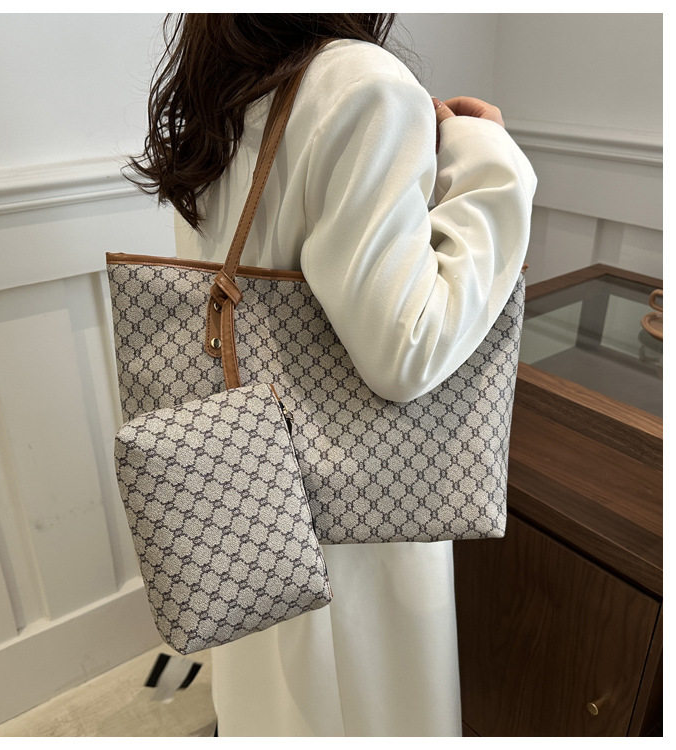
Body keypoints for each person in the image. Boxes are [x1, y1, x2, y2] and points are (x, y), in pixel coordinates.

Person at [127, 13, 537, 737]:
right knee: (365, 704)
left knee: (278, 705)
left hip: (249, 505)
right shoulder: (361, 85)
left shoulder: (224, 90)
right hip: (356, 527)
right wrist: (489, 161)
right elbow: (408, 351)